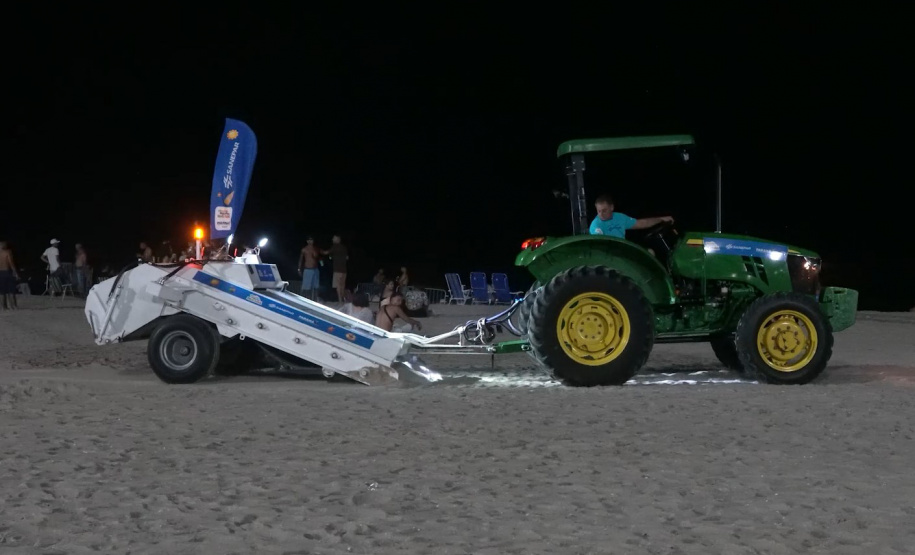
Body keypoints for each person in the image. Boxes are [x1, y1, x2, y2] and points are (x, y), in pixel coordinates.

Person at [589, 194, 674, 238]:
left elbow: (642, 223)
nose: (601, 214)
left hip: (623, 250)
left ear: (611, 207)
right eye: (599, 211)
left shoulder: (620, 217)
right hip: (610, 255)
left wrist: (661, 219)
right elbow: (600, 243)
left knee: (650, 252)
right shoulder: (596, 225)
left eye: (604, 211)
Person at [320, 234, 348, 304]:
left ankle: (340, 300)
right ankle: (343, 299)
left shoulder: (335, 247)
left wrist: (319, 250)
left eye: (334, 238)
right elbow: (347, 258)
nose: (332, 240)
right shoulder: (344, 248)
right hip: (344, 270)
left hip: (337, 270)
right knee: (342, 285)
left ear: (338, 239)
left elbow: (326, 252)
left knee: (338, 286)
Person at [298, 236, 319, 300]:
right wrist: (299, 269)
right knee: (306, 287)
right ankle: (305, 299)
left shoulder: (315, 248)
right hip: (308, 269)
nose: (310, 241)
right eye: (309, 240)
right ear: (307, 241)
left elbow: (319, 258)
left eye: (311, 240)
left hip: (315, 270)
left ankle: (314, 300)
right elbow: (301, 259)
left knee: (315, 286)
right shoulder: (304, 249)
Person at [0, 241, 19, 310]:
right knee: (11, 290)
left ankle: (3, 307)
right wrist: (15, 272)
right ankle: (13, 306)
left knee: (2, 291)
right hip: (7, 272)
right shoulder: (7, 252)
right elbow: (11, 263)